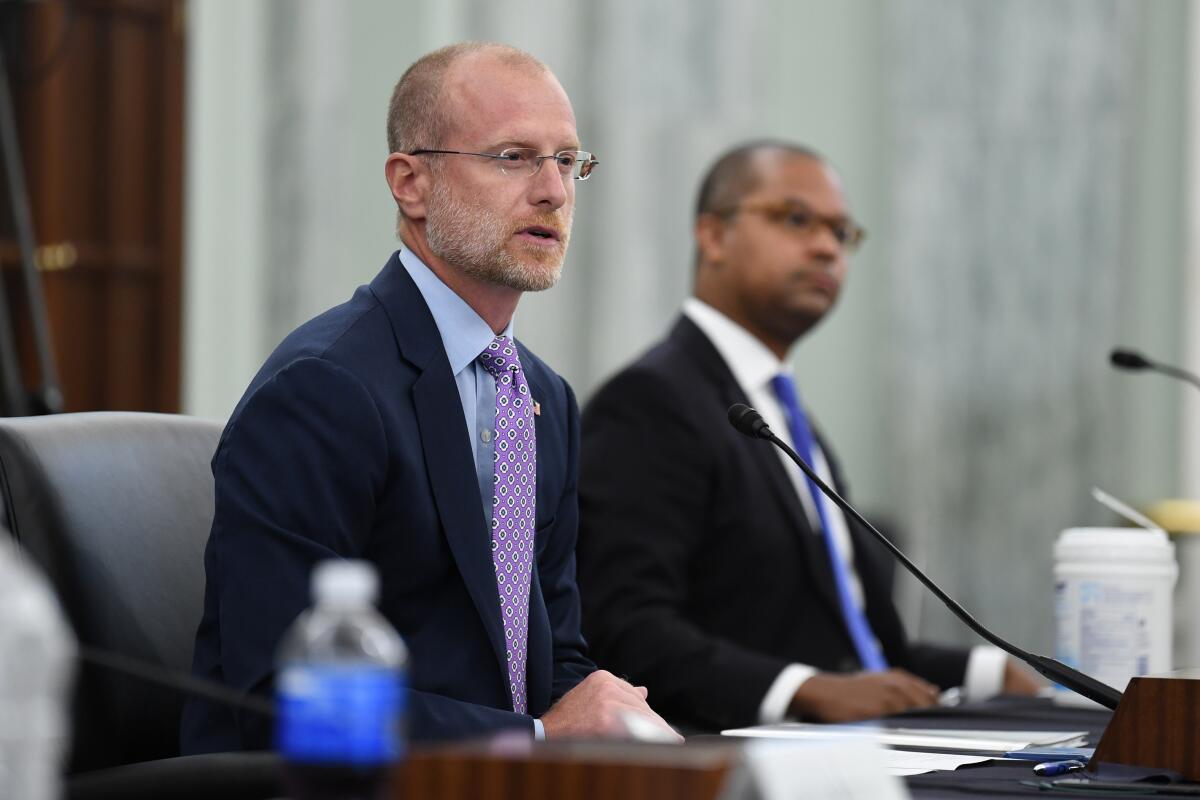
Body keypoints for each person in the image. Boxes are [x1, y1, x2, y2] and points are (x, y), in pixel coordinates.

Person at [181, 42, 677, 752]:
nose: (554, 192)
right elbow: (283, 700)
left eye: (568, 161)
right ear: (410, 183)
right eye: (513, 157)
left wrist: (609, 717)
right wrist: (537, 736)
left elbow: (553, 654)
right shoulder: (324, 391)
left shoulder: (542, 398)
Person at [576, 141, 1039, 733]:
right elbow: (626, 628)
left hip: (865, 743)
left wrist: (989, 670)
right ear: (713, 236)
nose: (826, 246)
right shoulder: (652, 401)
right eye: (795, 220)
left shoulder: (782, 414)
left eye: (842, 233)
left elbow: (868, 655)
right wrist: (802, 690)